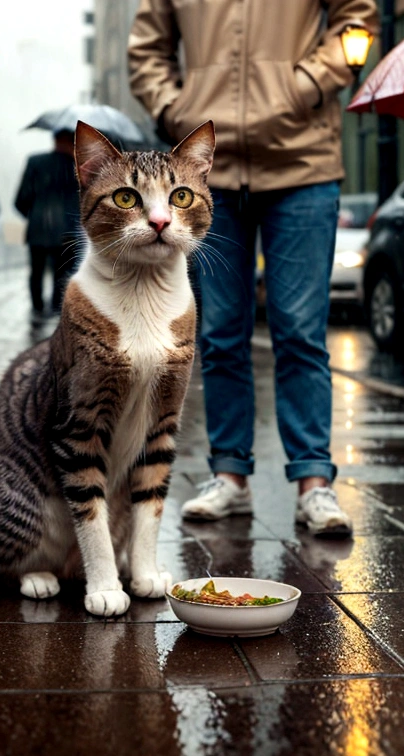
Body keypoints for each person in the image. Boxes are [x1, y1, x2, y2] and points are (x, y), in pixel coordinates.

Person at [128, 0, 379, 537]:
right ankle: (229, 475)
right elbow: (147, 47)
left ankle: (314, 482)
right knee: (219, 332)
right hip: (205, 172)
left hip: (303, 162)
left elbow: (356, 21)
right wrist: (176, 109)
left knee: (299, 331)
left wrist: (303, 86)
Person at [14, 129, 81, 315]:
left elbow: (21, 199)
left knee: (36, 270)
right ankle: (55, 307)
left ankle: (37, 308)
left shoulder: (35, 162)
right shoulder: (76, 166)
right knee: (62, 272)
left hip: (38, 227)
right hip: (67, 228)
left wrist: (35, 215)